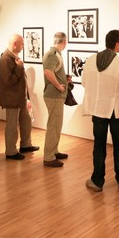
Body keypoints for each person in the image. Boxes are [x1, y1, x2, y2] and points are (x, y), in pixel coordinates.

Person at [82, 29, 119, 192]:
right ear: (117, 44)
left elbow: (84, 82)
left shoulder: (90, 60)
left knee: (99, 145)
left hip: (98, 109)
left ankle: (97, 180)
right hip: (115, 109)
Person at [0, 34, 39, 160]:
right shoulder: (6, 59)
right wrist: (19, 67)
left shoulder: (13, 57)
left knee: (26, 120)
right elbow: (7, 81)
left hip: (20, 97)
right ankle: (10, 151)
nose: (23, 47)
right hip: (11, 98)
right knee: (11, 125)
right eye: (21, 44)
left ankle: (25, 144)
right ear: (15, 43)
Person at [42, 32, 71, 167]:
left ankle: (54, 151)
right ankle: (48, 157)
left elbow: (53, 71)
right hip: (53, 95)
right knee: (53, 126)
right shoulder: (53, 55)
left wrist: (64, 79)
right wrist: (59, 86)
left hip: (55, 95)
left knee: (56, 125)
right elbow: (48, 72)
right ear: (64, 42)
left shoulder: (54, 54)